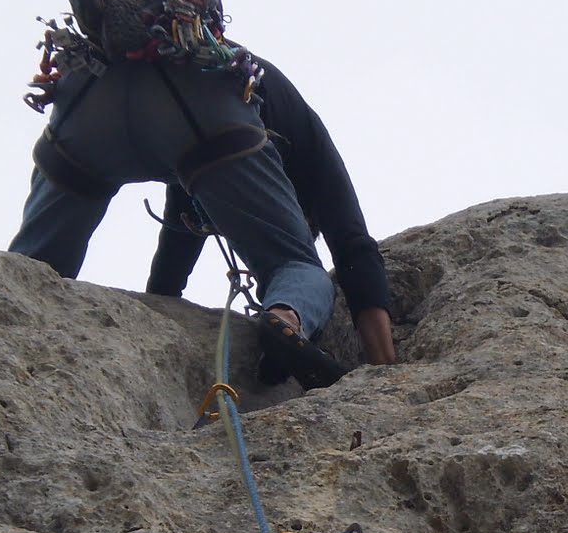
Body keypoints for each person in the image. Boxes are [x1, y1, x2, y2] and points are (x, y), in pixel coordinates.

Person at [9, 0, 344, 389]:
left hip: (89, 91)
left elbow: (180, 228)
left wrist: (163, 298)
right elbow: (349, 232)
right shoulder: (270, 89)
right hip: (204, 103)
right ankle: (286, 317)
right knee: (295, 264)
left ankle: (6, 311)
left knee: (33, 267)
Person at [147, 54, 397, 379]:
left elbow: (178, 239)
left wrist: (152, 310)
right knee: (300, 267)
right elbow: (354, 249)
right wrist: (385, 371)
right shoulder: (312, 153)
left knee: (86, 184)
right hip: (229, 102)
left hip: (158, 91)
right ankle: (287, 316)